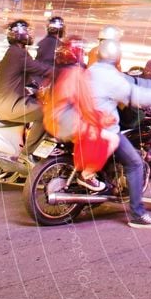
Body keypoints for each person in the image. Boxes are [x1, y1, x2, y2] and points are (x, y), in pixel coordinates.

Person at [88, 38, 151, 229]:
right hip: (103, 129)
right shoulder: (111, 77)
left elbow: (135, 81)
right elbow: (136, 96)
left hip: (83, 126)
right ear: (117, 57)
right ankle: (138, 214)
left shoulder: (91, 71)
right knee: (135, 163)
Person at [43, 36, 119, 192]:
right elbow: (86, 105)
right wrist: (102, 118)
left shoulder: (56, 71)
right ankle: (88, 175)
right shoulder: (77, 73)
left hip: (51, 121)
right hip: (68, 123)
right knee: (112, 138)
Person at [0, 20, 52, 162]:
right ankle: (27, 153)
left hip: (4, 102)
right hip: (8, 105)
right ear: (20, 35)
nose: (30, 34)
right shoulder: (18, 54)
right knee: (47, 112)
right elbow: (41, 68)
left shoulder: (16, 52)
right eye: (27, 31)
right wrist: (63, 73)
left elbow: (31, 77)